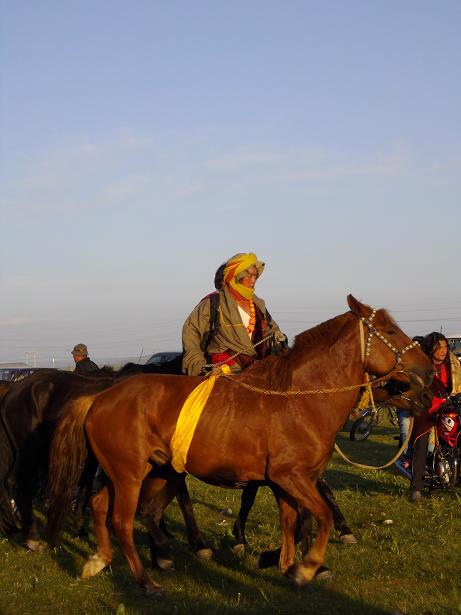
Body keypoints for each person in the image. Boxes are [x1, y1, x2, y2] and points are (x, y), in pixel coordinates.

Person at [182, 252, 287, 376]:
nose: (253, 280)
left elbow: (270, 329)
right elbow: (191, 331)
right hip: (222, 369)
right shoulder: (214, 302)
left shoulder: (258, 305)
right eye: (249, 275)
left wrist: (276, 336)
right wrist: (197, 363)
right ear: (235, 276)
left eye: (255, 276)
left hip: (255, 368)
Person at [408, 332, 461, 502]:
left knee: (454, 443)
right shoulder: (422, 365)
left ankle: (450, 477)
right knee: (421, 445)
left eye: (445, 346)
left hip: (449, 408)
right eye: (439, 347)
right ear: (431, 348)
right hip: (426, 410)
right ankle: (416, 488)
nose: (443, 350)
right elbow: (417, 388)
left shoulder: (452, 365)